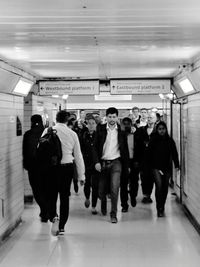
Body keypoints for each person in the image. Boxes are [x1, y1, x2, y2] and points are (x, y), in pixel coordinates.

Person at [45, 110, 85, 236]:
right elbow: (78, 156)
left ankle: (53, 217)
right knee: (64, 196)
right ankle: (62, 226)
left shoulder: (48, 131)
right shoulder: (72, 133)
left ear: (56, 119)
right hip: (67, 167)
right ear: (67, 121)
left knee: (52, 194)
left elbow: (39, 150)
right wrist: (81, 175)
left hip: (51, 168)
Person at [93, 107, 129, 223]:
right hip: (103, 162)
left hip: (116, 162)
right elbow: (94, 147)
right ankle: (103, 203)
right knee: (101, 190)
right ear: (106, 117)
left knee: (114, 188)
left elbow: (126, 149)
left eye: (114, 117)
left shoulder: (122, 131)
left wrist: (127, 165)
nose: (112, 119)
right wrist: (96, 162)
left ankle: (113, 214)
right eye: (110, 117)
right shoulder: (101, 129)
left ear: (117, 117)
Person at [149, 121, 179, 217]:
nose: (161, 131)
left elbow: (174, 153)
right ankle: (159, 208)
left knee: (165, 187)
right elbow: (148, 154)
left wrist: (177, 165)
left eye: (163, 129)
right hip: (156, 167)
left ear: (166, 130)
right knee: (159, 186)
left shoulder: (170, 141)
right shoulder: (153, 140)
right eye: (160, 129)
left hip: (166, 167)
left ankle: (162, 206)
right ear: (157, 130)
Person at [22, 114, 49, 222]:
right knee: (46, 189)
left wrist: (26, 165)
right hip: (47, 167)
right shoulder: (47, 132)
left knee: (36, 190)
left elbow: (24, 151)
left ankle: (44, 210)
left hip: (33, 167)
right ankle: (46, 210)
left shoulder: (28, 134)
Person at [135, 111, 157, 204]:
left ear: (156, 119)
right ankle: (145, 195)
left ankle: (149, 194)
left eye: (151, 117)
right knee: (144, 177)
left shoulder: (158, 130)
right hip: (143, 159)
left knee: (151, 178)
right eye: (148, 117)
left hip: (154, 159)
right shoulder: (141, 130)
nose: (149, 119)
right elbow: (136, 144)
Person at [80, 115, 99, 214]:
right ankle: (87, 197)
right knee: (87, 183)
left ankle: (94, 206)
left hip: (96, 163)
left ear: (96, 124)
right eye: (89, 123)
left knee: (95, 185)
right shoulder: (83, 135)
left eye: (93, 123)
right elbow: (80, 149)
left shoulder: (99, 136)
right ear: (86, 125)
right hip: (86, 163)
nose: (91, 125)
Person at [120, 117, 139, 212]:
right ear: (122, 125)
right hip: (123, 162)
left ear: (131, 124)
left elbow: (139, 149)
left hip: (134, 162)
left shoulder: (135, 135)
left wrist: (137, 161)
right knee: (123, 184)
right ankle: (124, 205)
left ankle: (133, 196)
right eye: (125, 123)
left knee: (134, 182)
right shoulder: (119, 135)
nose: (126, 125)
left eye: (128, 123)